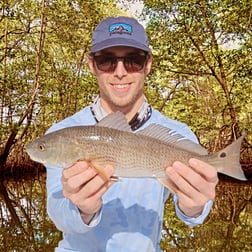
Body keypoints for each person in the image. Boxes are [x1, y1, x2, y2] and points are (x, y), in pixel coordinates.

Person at [46, 16, 218, 252]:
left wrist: (195, 206)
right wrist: (83, 208)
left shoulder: (178, 134)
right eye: (107, 60)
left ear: (147, 65)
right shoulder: (61, 134)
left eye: (133, 60)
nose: (120, 72)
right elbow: (58, 215)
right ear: (92, 65)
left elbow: (194, 216)